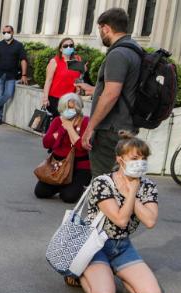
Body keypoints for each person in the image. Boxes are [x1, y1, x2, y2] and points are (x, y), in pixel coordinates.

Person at [66, 133, 161, 293]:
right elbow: (120, 220)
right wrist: (131, 192)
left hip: (122, 246)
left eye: (144, 158)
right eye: (135, 157)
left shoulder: (148, 186)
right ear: (120, 159)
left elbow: (150, 221)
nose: (140, 162)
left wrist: (132, 193)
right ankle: (78, 274)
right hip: (94, 244)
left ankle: (115, 271)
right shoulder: (103, 182)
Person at [78, 8, 141, 177]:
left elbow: (112, 93)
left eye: (100, 30)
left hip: (111, 130)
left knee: (102, 182)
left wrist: (90, 127)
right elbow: (125, 89)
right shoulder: (135, 50)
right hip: (126, 127)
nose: (100, 35)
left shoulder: (118, 53)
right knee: (121, 183)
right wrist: (94, 90)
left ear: (106, 28)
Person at [34, 93, 91, 203]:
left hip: (78, 166)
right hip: (58, 165)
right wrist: (61, 129)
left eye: (71, 108)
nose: (67, 111)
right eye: (65, 108)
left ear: (78, 107)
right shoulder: (57, 121)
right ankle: (62, 184)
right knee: (40, 192)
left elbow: (81, 147)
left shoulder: (85, 121)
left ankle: (75, 186)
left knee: (68, 197)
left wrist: (70, 128)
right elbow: (46, 143)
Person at [0, 25, 28, 125]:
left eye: (8, 32)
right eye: (4, 32)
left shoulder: (18, 45)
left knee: (8, 94)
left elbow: (23, 60)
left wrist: (24, 74)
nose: (6, 34)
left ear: (12, 32)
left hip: (11, 75)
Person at [41, 37, 87, 121]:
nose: (68, 47)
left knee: (67, 125)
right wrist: (45, 98)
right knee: (57, 123)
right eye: (65, 46)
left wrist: (83, 70)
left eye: (71, 45)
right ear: (61, 49)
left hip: (70, 99)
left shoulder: (76, 61)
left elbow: (78, 78)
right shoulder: (55, 61)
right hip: (55, 99)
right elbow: (48, 81)